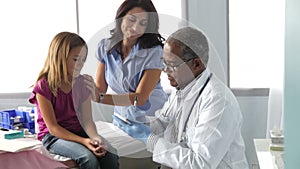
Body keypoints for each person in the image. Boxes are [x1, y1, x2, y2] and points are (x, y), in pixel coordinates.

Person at [113, 27, 249, 169]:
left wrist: (149, 139)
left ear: (196, 64)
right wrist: (141, 122)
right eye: (164, 63)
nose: (165, 70)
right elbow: (163, 123)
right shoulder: (182, 88)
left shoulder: (218, 101)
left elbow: (200, 164)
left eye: (172, 65)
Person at [29, 32, 119, 169]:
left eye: (83, 60)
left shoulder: (82, 84)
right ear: (60, 58)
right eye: (76, 59)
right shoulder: (43, 87)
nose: (80, 64)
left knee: (111, 154)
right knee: (88, 159)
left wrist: (95, 137)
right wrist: (84, 141)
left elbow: (87, 121)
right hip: (53, 137)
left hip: (79, 130)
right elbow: (53, 128)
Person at [84, 0, 168, 124]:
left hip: (153, 117)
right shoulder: (105, 47)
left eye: (143, 23)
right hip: (122, 117)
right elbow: (100, 89)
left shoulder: (154, 52)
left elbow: (140, 98)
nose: (135, 28)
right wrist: (82, 86)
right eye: (131, 20)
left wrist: (100, 98)